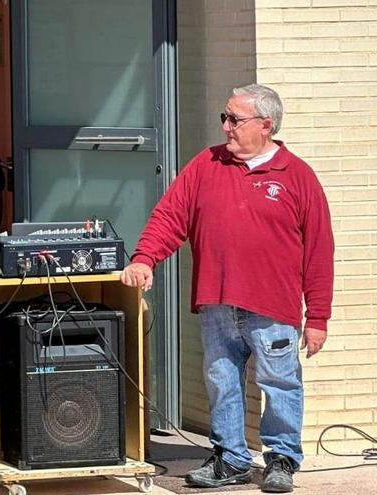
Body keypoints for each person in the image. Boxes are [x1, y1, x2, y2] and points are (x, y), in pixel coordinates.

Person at [120, 84, 333, 493]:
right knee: (221, 382)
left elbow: (320, 251)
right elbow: (170, 216)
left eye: (235, 119)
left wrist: (318, 316)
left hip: (273, 306)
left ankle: (282, 460)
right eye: (225, 116)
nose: (226, 126)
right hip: (217, 301)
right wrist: (145, 257)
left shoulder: (297, 176)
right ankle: (231, 458)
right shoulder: (206, 164)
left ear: (265, 125)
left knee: (280, 383)